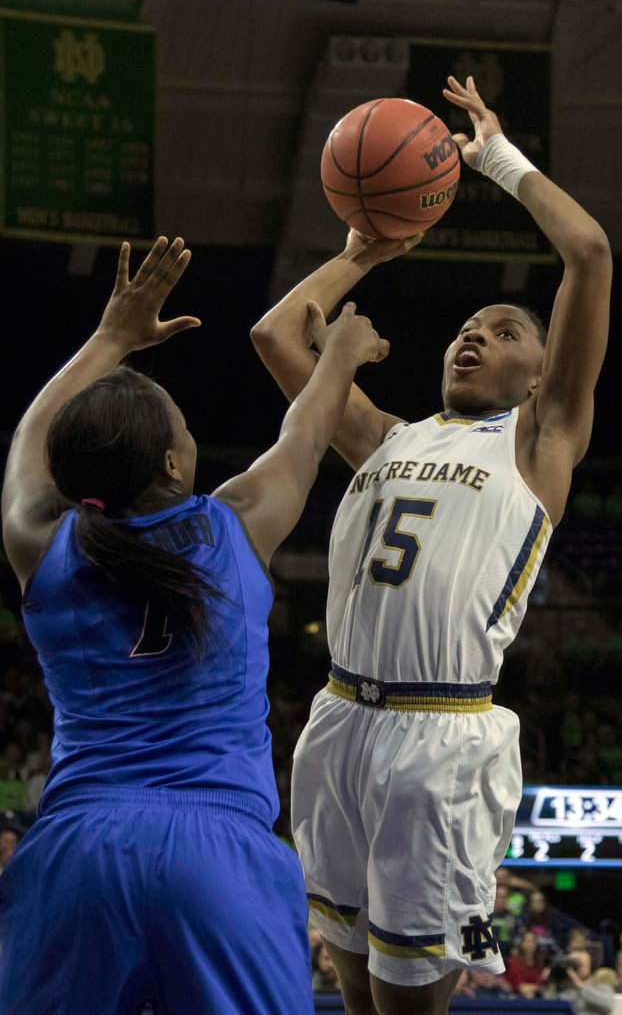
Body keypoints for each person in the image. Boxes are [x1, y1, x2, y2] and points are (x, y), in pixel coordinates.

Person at [251, 72, 611, 1015]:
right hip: (337, 721)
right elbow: (278, 332)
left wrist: (493, 157)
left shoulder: (540, 444)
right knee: (349, 988)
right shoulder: (383, 434)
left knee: (412, 1005)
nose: (473, 338)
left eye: (502, 332)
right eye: (466, 328)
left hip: (443, 735)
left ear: (543, 377)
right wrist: (363, 253)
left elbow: (589, 252)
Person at [0, 236, 388, 1015]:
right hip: (220, 857)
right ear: (175, 465)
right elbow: (307, 433)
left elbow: (26, 440)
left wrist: (110, 337)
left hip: (77, 853)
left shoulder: (39, 541)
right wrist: (340, 355)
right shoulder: (235, 526)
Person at [505, 930, 552, 998]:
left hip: (538, 993)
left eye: (533, 941)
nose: (530, 944)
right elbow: (519, 986)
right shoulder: (514, 962)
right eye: (527, 941)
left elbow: (544, 984)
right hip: (517, 995)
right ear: (522, 943)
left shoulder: (540, 963)